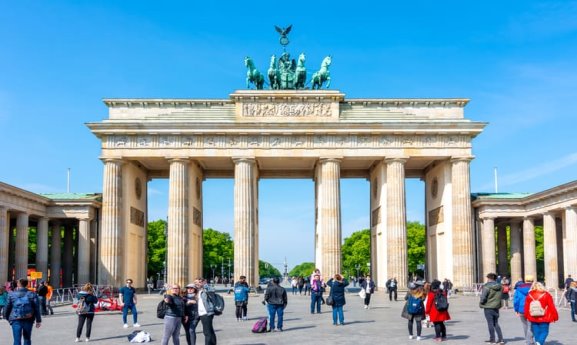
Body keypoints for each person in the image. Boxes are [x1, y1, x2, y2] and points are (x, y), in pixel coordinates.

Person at [3, 278, 42, 345]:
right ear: (27, 284)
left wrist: (7, 317)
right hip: (28, 318)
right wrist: (38, 320)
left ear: (18, 285)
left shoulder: (11, 294)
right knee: (27, 338)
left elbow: (7, 307)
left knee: (16, 340)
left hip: (15, 319)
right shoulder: (32, 294)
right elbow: (36, 308)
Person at [480, 273, 505, 345]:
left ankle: (492, 340)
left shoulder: (487, 286)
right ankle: (501, 339)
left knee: (490, 323)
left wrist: (481, 303)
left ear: (488, 278)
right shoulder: (500, 286)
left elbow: (483, 297)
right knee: (496, 323)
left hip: (488, 307)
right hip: (496, 306)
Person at [513, 275, 535, 345]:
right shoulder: (534, 288)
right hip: (531, 309)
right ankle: (530, 341)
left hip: (521, 309)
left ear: (525, 281)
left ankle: (527, 340)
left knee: (525, 325)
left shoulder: (518, 288)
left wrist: (516, 310)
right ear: (532, 281)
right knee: (531, 325)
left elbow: (516, 300)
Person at [197, 278, 217, 345]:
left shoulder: (206, 289)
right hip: (202, 313)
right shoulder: (199, 291)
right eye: (197, 282)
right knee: (210, 330)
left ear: (203, 282)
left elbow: (212, 290)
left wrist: (205, 285)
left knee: (207, 332)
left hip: (207, 313)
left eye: (200, 282)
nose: (198, 283)